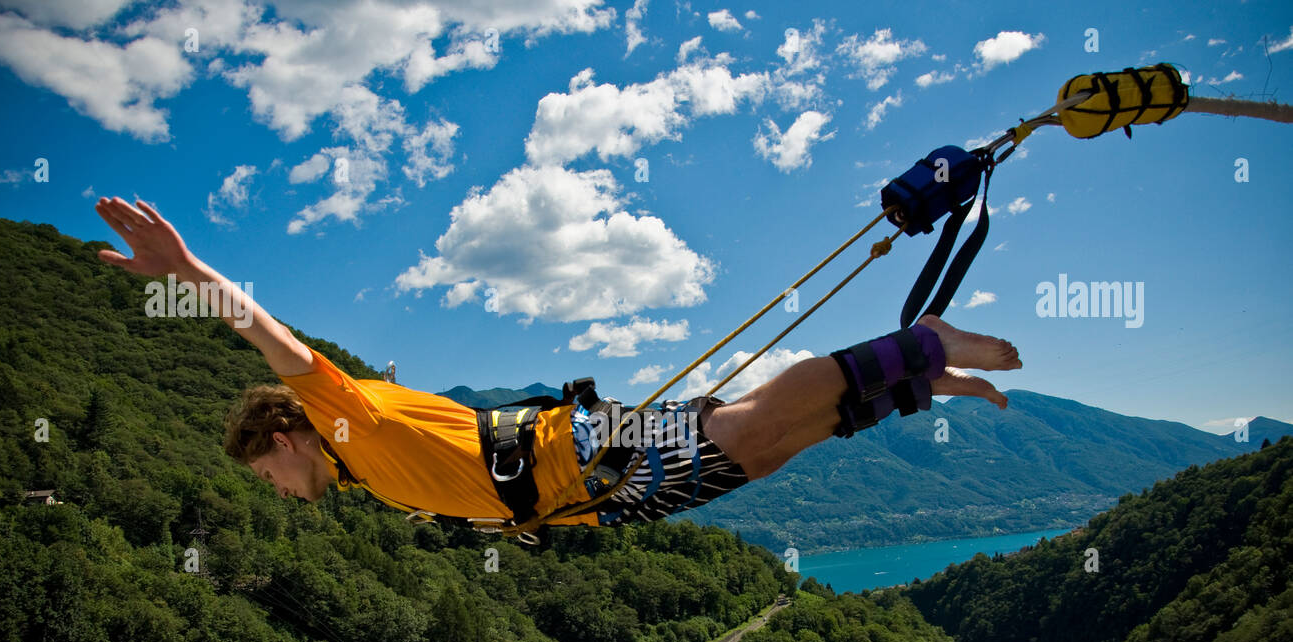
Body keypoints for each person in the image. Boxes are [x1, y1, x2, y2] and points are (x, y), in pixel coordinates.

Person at [94, 196, 1021, 535]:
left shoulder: (344, 420)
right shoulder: (359, 467)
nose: (275, 486)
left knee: (749, 433)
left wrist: (187, 273)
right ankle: (904, 377)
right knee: (759, 449)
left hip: (580, 460)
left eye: (265, 470)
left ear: (286, 435)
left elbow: (276, 342)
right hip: (586, 480)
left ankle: (922, 344)